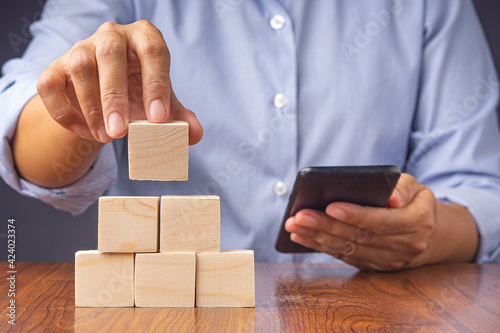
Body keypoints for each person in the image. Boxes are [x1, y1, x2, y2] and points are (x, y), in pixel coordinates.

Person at [1, 0, 499, 271]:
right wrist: (87, 104)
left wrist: (427, 234)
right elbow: (21, 128)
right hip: (165, 315)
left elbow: (481, 190)